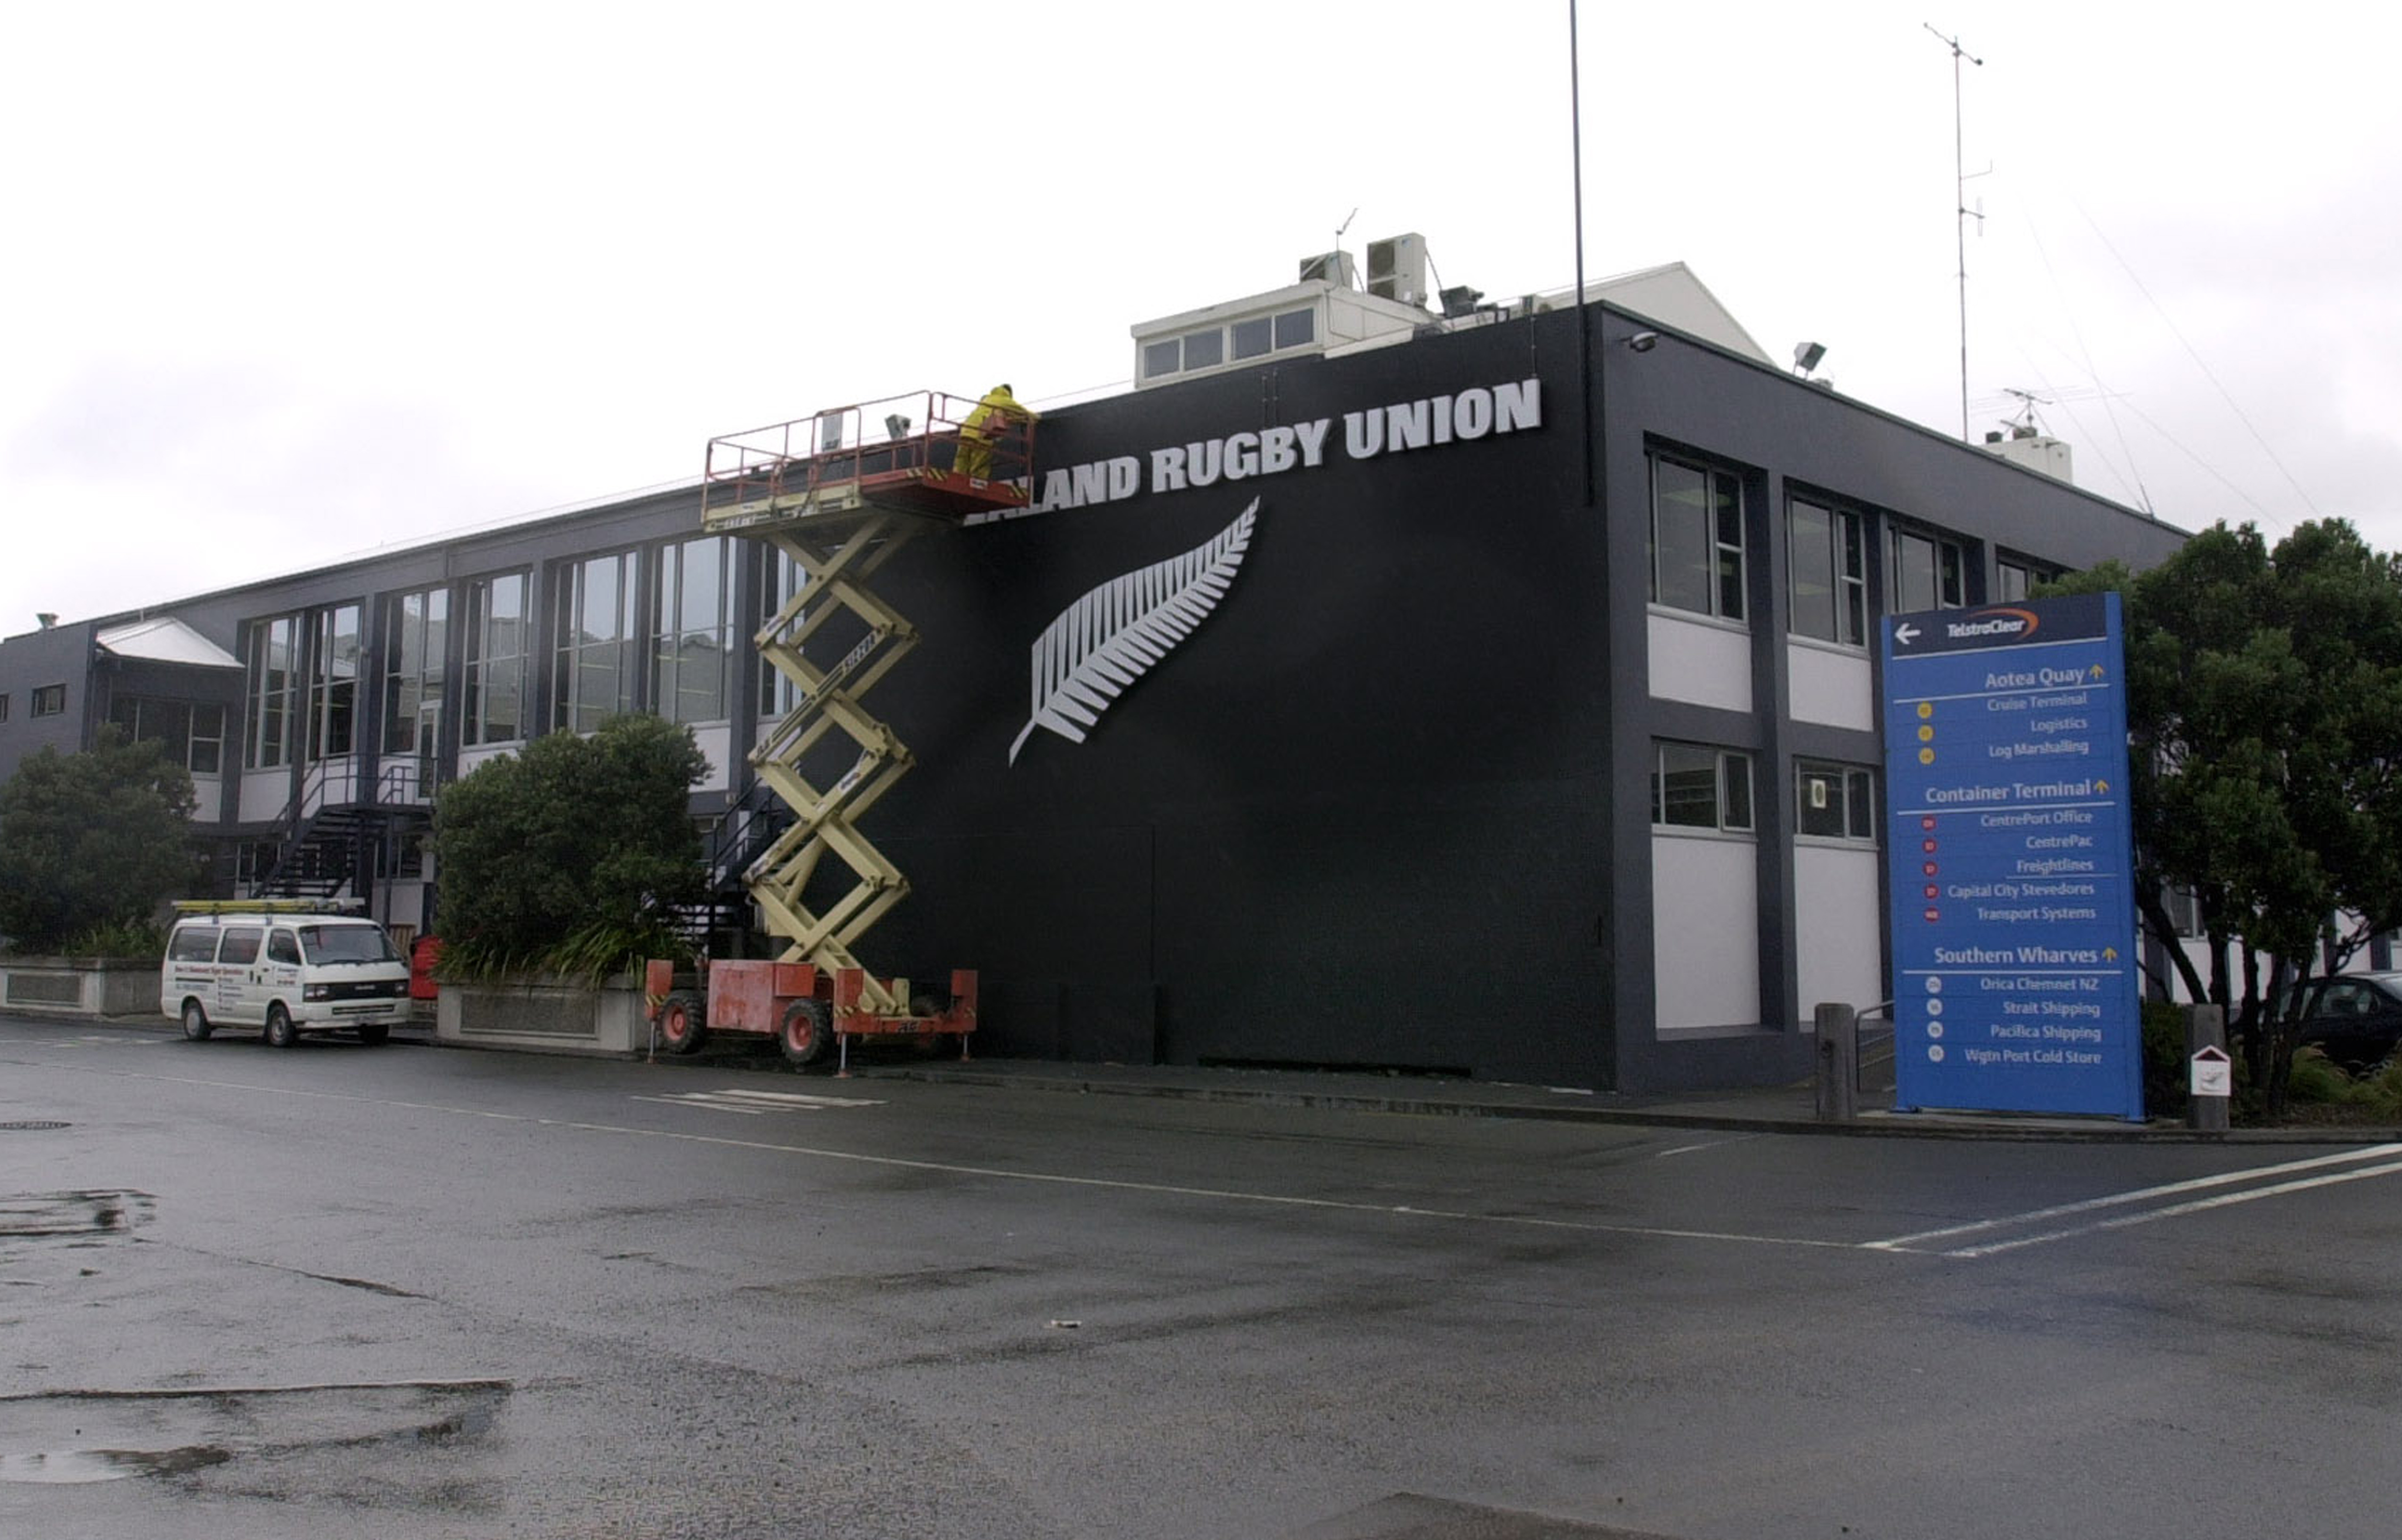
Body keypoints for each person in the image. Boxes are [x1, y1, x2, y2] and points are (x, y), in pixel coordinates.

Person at [955, 384, 1035, 481]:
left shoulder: (987, 400)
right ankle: (978, 486)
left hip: (966, 432)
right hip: (982, 434)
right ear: (1008, 393)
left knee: (962, 461)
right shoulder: (1004, 400)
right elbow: (1024, 413)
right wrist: (1037, 418)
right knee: (979, 466)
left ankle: (957, 480)